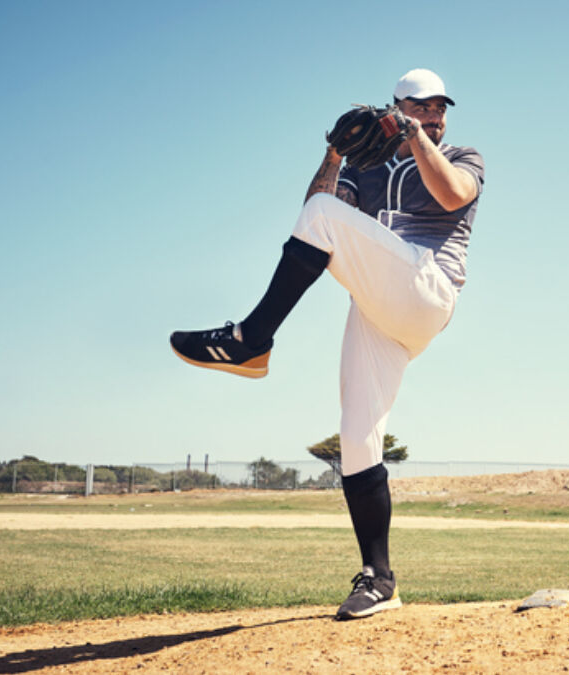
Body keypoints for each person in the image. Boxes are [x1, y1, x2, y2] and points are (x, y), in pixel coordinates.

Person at [169, 68, 484, 620]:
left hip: (427, 289)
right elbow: (315, 207)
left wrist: (411, 135)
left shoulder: (462, 155)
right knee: (358, 435)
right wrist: (336, 153)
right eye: (421, 106)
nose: (433, 115)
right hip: (378, 307)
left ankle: (252, 339)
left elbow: (454, 195)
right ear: (397, 104)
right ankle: (379, 578)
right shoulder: (368, 170)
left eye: (439, 108)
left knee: (323, 219)